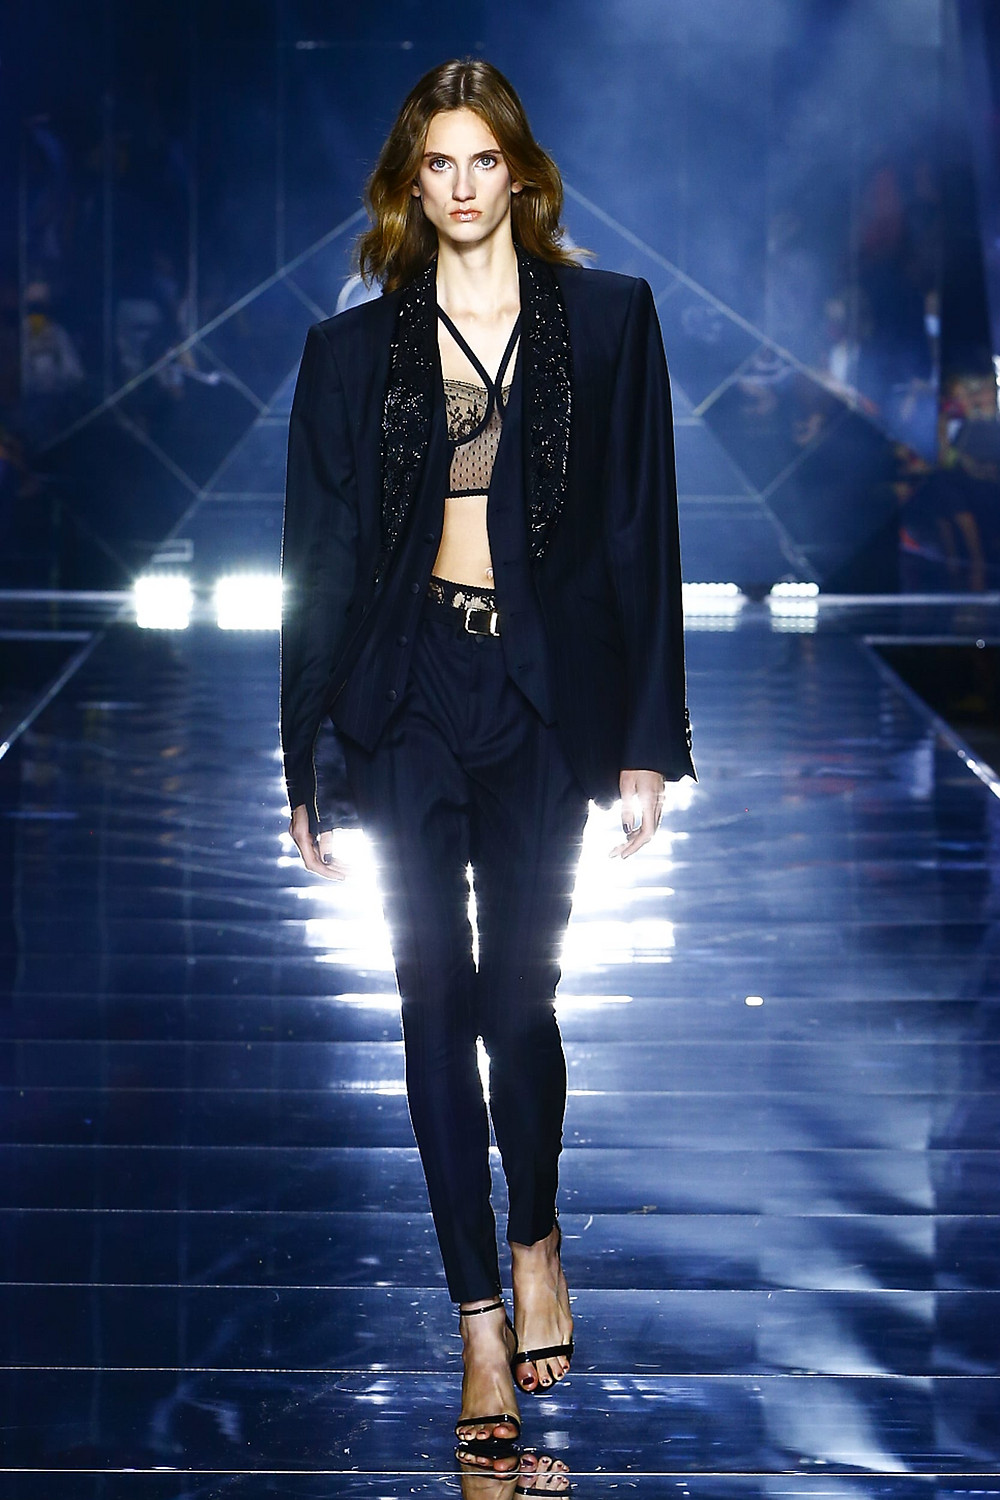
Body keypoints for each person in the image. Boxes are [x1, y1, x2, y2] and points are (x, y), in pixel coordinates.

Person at [280, 58, 695, 1463]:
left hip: (541, 696)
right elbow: (318, 564)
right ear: (413, 184)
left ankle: (537, 1237)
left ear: (521, 172)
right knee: (429, 1001)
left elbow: (641, 534)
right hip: (405, 694)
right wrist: (305, 760)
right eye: (437, 164)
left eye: (484, 160)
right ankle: (475, 1319)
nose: (462, 186)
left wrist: (646, 744)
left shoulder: (609, 322)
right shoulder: (354, 352)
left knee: (519, 999)